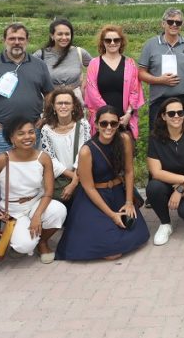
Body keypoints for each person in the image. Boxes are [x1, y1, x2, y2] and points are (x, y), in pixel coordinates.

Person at [56, 105, 149, 260]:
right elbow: (88, 187)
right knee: (113, 253)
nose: (109, 127)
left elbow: (128, 171)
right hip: (94, 197)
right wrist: (112, 215)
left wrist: (129, 202)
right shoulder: (87, 151)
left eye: (113, 123)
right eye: (104, 123)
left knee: (140, 235)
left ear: (118, 124)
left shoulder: (124, 139)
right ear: (96, 125)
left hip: (117, 191)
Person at [0, 116, 67, 263]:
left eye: (31, 132)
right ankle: (23, 242)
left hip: (36, 202)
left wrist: (37, 216)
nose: (27, 137)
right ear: (11, 138)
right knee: (24, 245)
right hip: (12, 208)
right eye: (21, 134)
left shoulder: (43, 158)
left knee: (59, 211)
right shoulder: (1, 160)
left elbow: (48, 192)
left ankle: (42, 242)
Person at [0, 22, 53, 155]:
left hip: (32, 132)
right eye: (12, 38)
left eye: (21, 39)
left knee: (31, 169)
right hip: (2, 132)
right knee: (3, 171)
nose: (16, 42)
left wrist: (44, 118)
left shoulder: (39, 65)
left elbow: (49, 93)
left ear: (27, 41)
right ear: (4, 41)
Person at [146, 97, 184, 245]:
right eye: (171, 113)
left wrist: (180, 189)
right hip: (168, 184)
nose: (176, 117)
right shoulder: (155, 139)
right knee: (153, 187)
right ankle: (165, 224)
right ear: (163, 116)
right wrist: (183, 180)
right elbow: (156, 172)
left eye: (180, 113)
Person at [139, 8, 184, 124]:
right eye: (170, 22)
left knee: (183, 137)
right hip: (159, 101)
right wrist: (159, 80)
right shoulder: (150, 45)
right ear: (163, 23)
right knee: (158, 137)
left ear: (181, 25)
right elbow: (141, 73)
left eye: (178, 22)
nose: (174, 25)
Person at [83, 25, 143, 139]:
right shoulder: (94, 64)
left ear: (121, 41)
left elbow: (135, 91)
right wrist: (109, 116)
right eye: (108, 40)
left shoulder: (130, 63)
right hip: (101, 119)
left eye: (116, 40)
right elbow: (92, 92)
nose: (112, 43)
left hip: (124, 119)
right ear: (103, 42)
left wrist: (128, 114)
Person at [39, 87, 91, 207]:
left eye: (67, 103)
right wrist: (72, 177)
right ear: (53, 106)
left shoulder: (83, 125)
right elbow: (50, 159)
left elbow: (84, 154)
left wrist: (74, 183)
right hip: (61, 178)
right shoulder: (46, 129)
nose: (63, 106)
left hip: (82, 175)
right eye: (59, 103)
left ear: (73, 106)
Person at [32, 18, 92, 105]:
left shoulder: (79, 52)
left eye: (67, 34)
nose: (64, 37)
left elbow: (96, 67)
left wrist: (85, 82)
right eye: (60, 34)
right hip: (50, 100)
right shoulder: (41, 54)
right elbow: (27, 71)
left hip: (75, 100)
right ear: (52, 36)